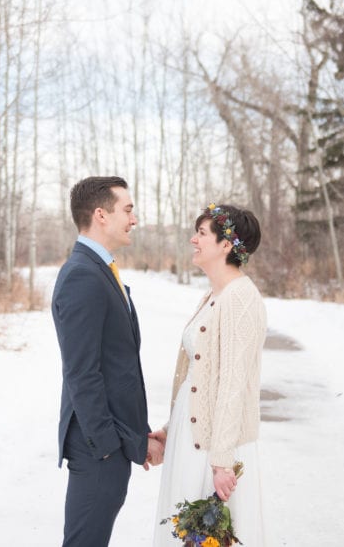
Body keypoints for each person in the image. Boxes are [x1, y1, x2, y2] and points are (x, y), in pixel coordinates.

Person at [51, 176, 165, 547]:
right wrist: (107, 446)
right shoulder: (82, 275)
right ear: (101, 214)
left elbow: (118, 368)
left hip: (109, 442)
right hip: (96, 447)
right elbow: (82, 373)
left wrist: (135, 436)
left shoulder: (100, 269)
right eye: (128, 210)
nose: (134, 219)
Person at [152, 202, 268, 545]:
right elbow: (199, 379)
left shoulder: (241, 299)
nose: (193, 239)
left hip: (216, 446)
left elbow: (233, 385)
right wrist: (171, 429)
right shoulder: (214, 296)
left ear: (226, 245)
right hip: (192, 438)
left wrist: (222, 462)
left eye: (201, 233)